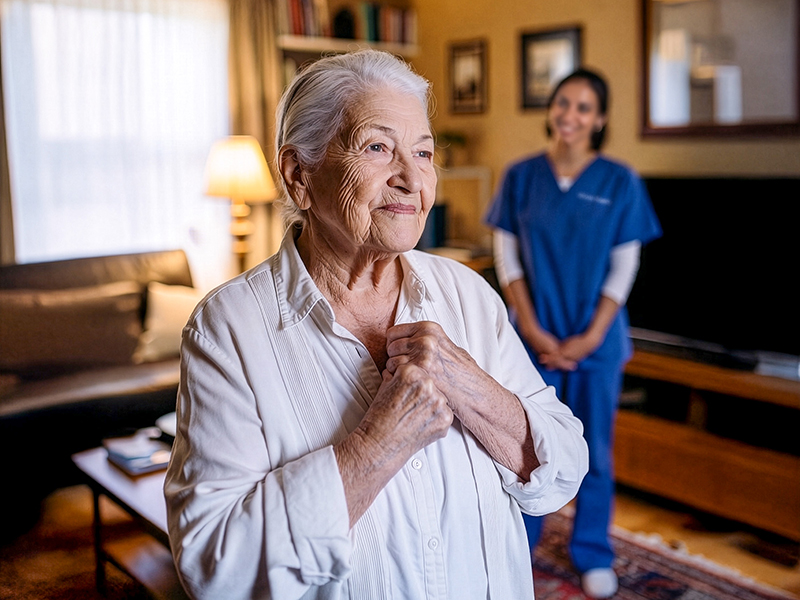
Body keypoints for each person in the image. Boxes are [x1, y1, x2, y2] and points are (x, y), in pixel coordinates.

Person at [164, 49, 589, 600]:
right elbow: (215, 566)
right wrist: (376, 446)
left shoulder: (467, 296)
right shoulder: (229, 329)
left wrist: (471, 385)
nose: (412, 179)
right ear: (299, 176)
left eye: (424, 152)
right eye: (377, 147)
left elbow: (561, 471)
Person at [484, 68, 662, 599]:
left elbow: (623, 267)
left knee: (596, 454)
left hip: (596, 345)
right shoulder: (520, 176)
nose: (570, 115)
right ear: (552, 108)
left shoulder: (619, 181)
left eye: (584, 108)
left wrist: (589, 338)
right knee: (522, 446)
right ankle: (520, 544)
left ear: (600, 119)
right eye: (563, 103)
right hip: (531, 341)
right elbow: (506, 255)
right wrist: (533, 329)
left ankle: (592, 553)